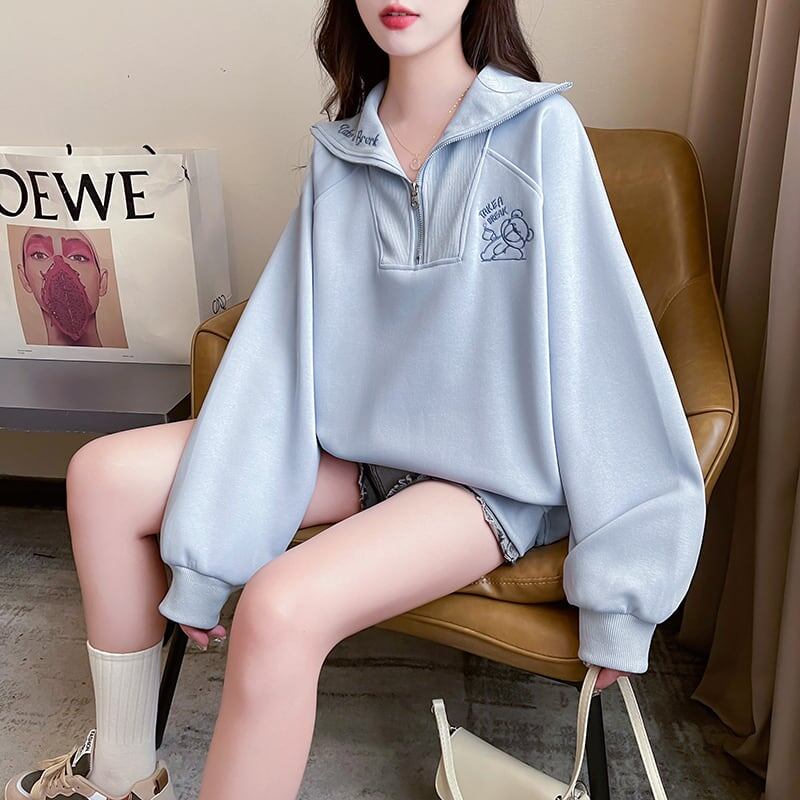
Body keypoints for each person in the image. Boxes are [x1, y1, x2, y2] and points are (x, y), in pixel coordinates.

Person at [5, 0, 708, 798]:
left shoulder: (541, 134)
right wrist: (208, 554)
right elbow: (275, 357)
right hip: (358, 459)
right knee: (101, 476)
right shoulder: (343, 153)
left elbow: (606, 359)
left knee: (278, 606)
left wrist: (624, 595)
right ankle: (122, 778)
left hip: (489, 484)